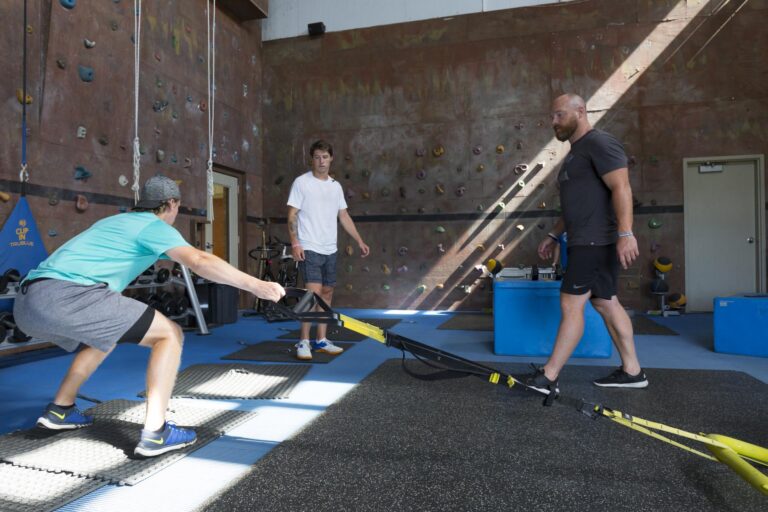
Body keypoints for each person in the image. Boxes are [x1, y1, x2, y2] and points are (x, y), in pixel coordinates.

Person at [14, 175, 285, 457]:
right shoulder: (153, 226)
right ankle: (156, 432)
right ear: (171, 204)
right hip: (70, 297)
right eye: (177, 207)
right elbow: (199, 261)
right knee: (169, 334)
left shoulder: (112, 221)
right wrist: (257, 285)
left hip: (27, 302)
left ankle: (61, 410)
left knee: (104, 336)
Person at [522, 93, 647, 394]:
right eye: (552, 116)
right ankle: (633, 371)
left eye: (559, 115)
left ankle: (549, 376)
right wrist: (555, 234)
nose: (554, 122)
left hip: (594, 241)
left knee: (570, 303)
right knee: (605, 302)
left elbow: (621, 187)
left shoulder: (599, 143)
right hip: (584, 239)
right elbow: (576, 205)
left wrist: (626, 233)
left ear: (580, 111)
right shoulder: (576, 154)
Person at [287, 140, 369, 360]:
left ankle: (321, 340)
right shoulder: (301, 183)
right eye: (316, 157)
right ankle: (303, 341)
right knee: (312, 295)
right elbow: (292, 214)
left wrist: (359, 240)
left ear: (331, 158)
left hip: (330, 249)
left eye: (325, 156)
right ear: (312, 159)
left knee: (327, 294)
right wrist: (295, 242)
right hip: (309, 246)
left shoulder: (335, 186)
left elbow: (343, 215)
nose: (321, 161)